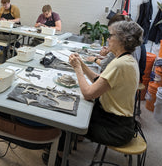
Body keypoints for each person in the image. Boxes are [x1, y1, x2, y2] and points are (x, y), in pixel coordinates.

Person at [42, 21, 144, 165]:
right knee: (76, 109)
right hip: (117, 121)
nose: (108, 39)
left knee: (67, 119)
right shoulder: (125, 60)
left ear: (122, 39)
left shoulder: (120, 64)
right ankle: (64, 147)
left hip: (115, 129)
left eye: (111, 36)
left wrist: (77, 69)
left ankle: (58, 158)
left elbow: (88, 93)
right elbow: (98, 80)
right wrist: (82, 64)